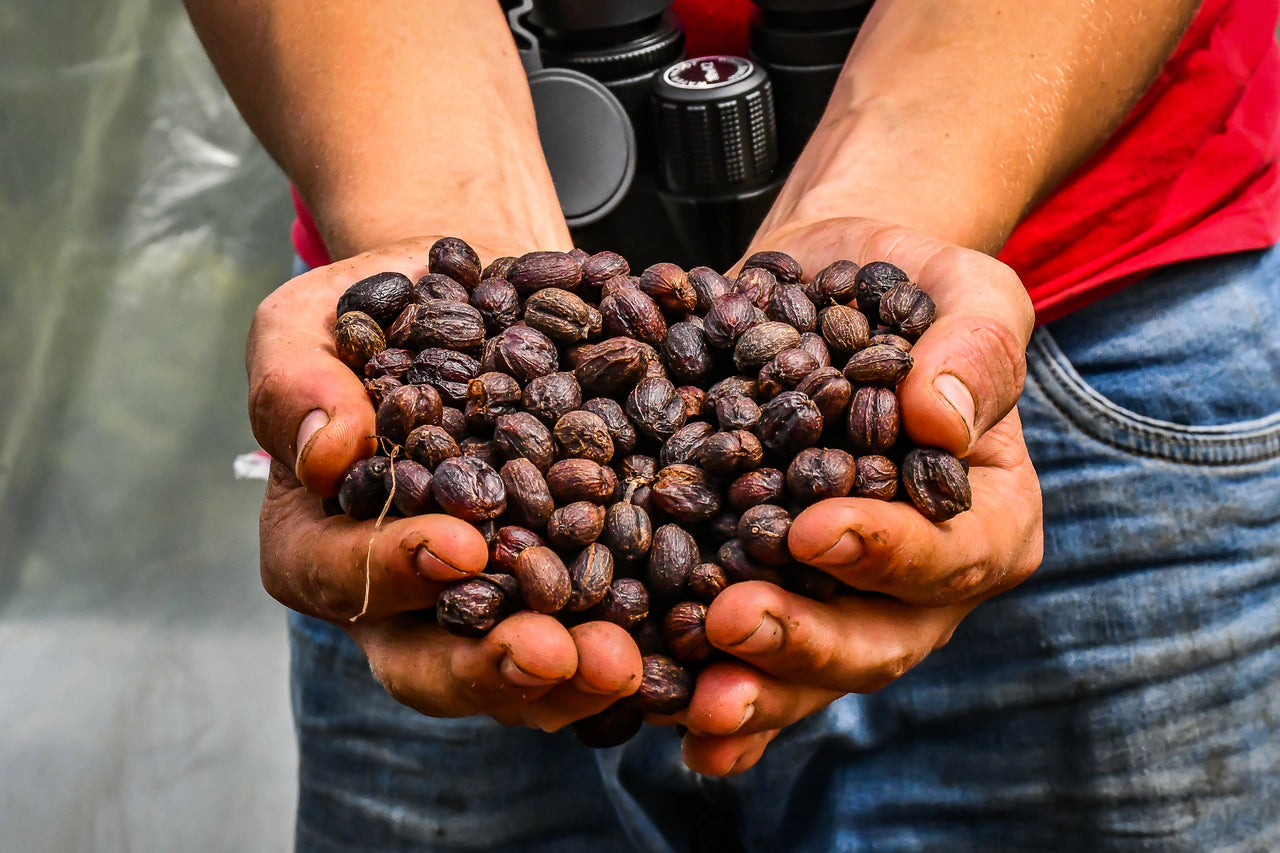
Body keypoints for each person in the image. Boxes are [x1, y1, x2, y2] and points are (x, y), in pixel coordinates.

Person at [185, 0, 1280, 849]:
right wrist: (426, 186)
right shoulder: (469, 386)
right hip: (408, 296)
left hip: (1103, 314)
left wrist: (911, 177)